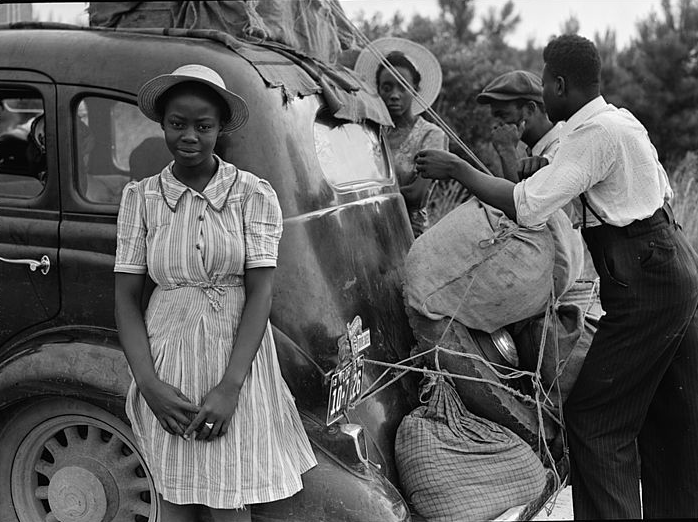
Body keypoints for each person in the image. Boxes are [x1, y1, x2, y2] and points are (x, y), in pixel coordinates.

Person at [414, 35, 698, 520]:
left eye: (544, 81)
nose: (542, 91)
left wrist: (458, 169)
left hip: (644, 280)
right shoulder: (617, 121)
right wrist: (540, 169)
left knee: (594, 420)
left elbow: (526, 206)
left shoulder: (593, 136)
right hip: (671, 265)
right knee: (669, 414)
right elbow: (615, 186)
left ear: (560, 84)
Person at [114, 64, 316, 522]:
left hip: (235, 364)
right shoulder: (141, 199)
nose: (189, 136)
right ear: (162, 123)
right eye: (177, 124)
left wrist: (229, 387)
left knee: (229, 503)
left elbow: (261, 293)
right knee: (175, 502)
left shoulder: (252, 195)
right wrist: (149, 385)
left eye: (203, 126)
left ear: (220, 128)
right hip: (167, 361)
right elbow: (126, 298)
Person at [354, 37, 448, 237]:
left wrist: (362, 197)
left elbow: (417, 195)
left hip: (409, 234)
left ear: (415, 90)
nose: (394, 95)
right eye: (387, 88)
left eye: (402, 86)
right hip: (367, 231)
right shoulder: (370, 132)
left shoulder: (431, 135)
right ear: (378, 91)